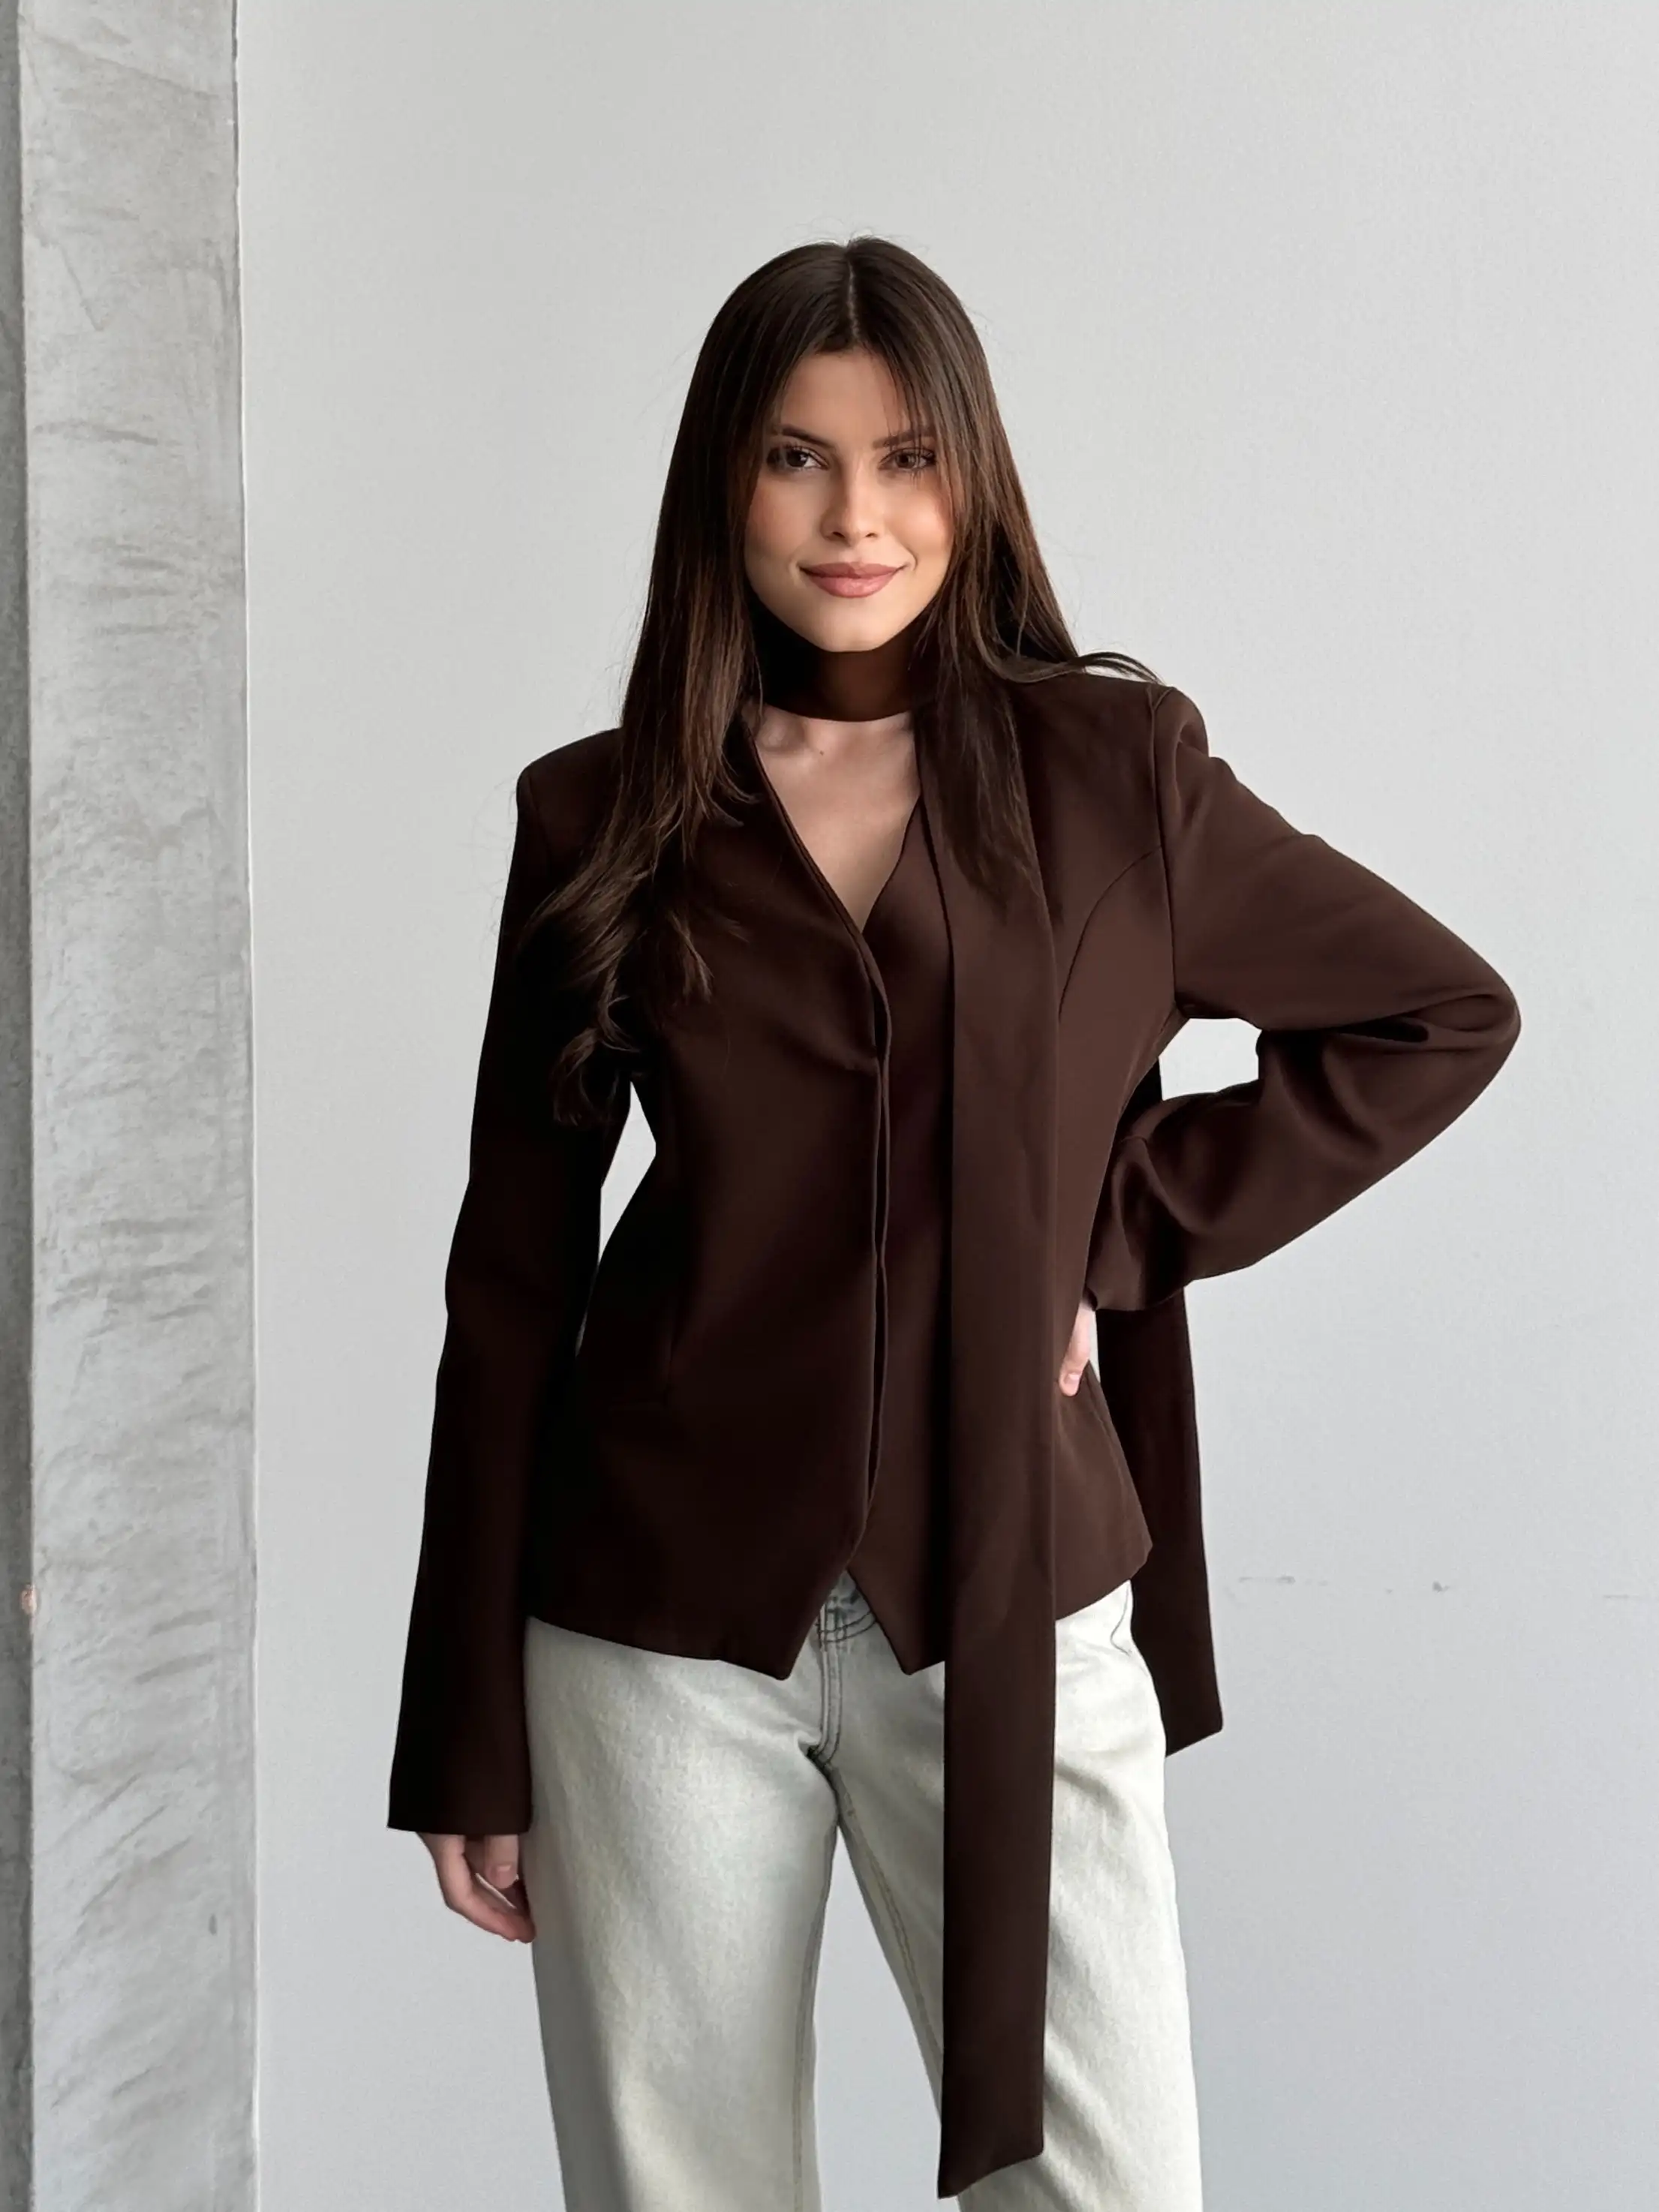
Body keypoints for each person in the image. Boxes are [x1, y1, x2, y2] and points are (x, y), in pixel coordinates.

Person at [386, 235, 1520, 2210]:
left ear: (972, 476)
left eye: (906, 457)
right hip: (655, 1626)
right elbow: (509, 1285)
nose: (857, 515)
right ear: (725, 481)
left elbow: (1437, 1013)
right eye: (798, 457)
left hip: (1013, 1598)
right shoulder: (599, 814)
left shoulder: (1114, 775)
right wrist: (465, 1729)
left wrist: (1115, 1233)